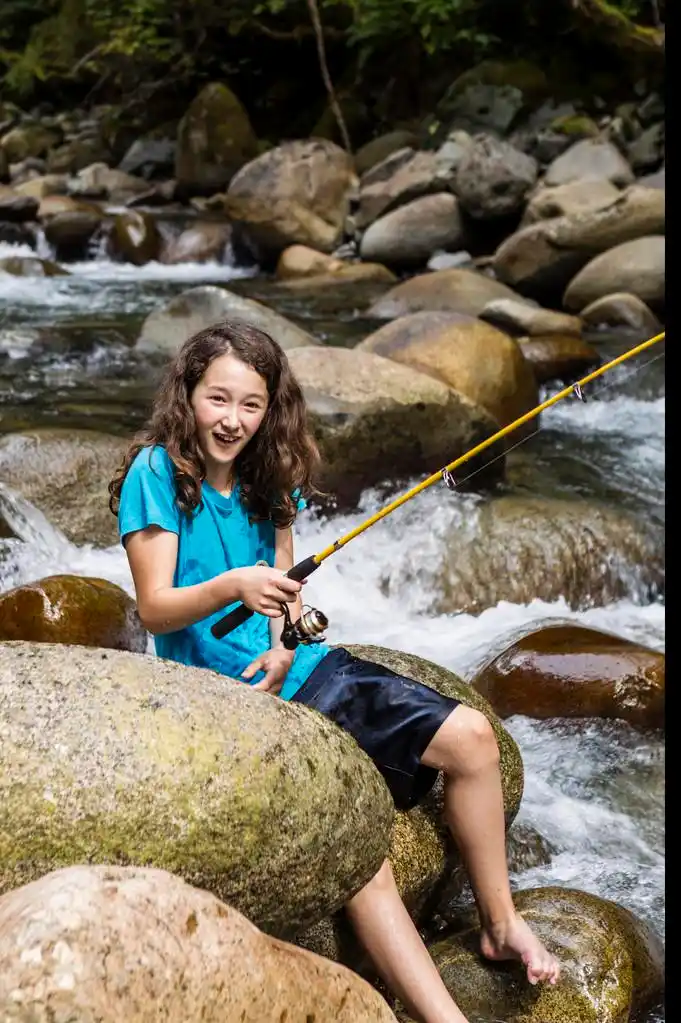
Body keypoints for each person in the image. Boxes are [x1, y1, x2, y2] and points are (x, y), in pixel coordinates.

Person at [109, 320, 560, 1023]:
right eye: (217, 399)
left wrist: (285, 644)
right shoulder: (156, 474)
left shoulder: (269, 473)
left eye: (251, 405)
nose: (232, 420)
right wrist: (233, 585)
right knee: (359, 850)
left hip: (300, 672)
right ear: (187, 394)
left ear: (271, 409)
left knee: (473, 739)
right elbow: (156, 609)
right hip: (219, 698)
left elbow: (284, 592)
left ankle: (499, 926)